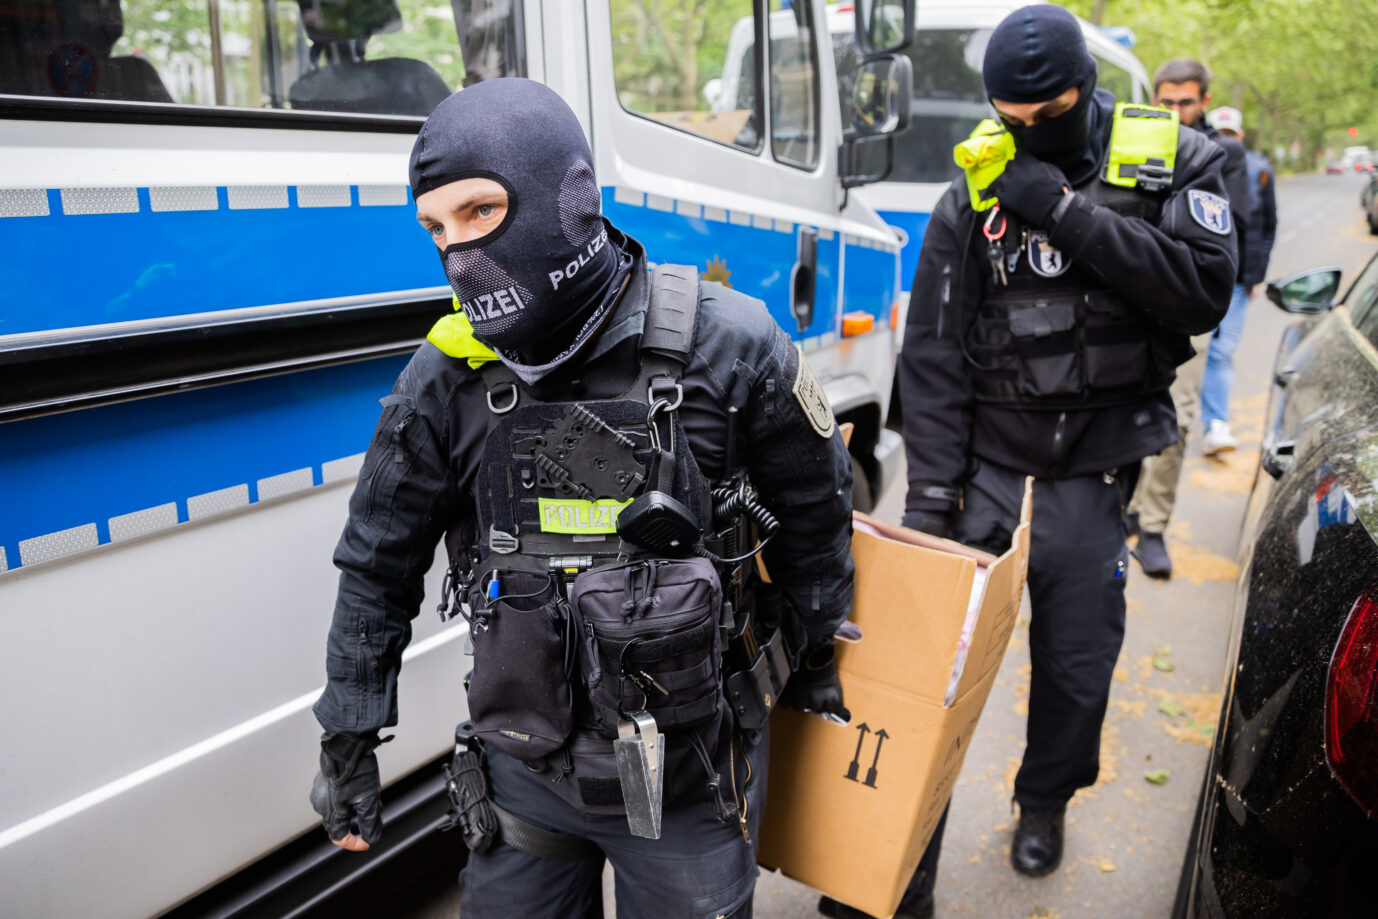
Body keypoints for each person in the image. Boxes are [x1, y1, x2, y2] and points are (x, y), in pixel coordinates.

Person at [307, 78, 855, 918]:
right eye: (435, 228)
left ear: (567, 197)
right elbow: (376, 560)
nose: (457, 256)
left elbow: (817, 517)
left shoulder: (730, 345)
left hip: (690, 778)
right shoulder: (448, 376)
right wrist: (349, 731)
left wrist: (816, 658)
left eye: (480, 213)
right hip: (523, 768)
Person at [818, 9, 1235, 917]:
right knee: (926, 663)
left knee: (1078, 655)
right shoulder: (972, 184)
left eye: (1050, 109)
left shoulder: (1175, 161)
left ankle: (1043, 800)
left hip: (1101, 450)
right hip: (986, 452)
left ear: (1086, 91)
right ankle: (898, 859)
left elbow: (1201, 291)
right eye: (1012, 111)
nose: (1029, 127)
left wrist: (1058, 206)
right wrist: (931, 489)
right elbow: (930, 349)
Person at [1127, 58, 1249, 578]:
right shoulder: (1131, 140)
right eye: (1166, 101)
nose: (1174, 111)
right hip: (1130, 301)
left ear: (1203, 103)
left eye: (1186, 102)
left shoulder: (1223, 155)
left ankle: (1152, 526)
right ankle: (1125, 510)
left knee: (1173, 419)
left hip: (1188, 305)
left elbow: (1228, 234)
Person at [1200, 105, 1278, 452]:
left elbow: (1267, 226)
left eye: (1232, 136)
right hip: (1198, 276)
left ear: (1241, 137)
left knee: (1221, 352)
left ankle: (1216, 423)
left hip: (1237, 282)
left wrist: (1255, 275)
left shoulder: (1260, 171)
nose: (1227, 144)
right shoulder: (1196, 164)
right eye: (1222, 136)